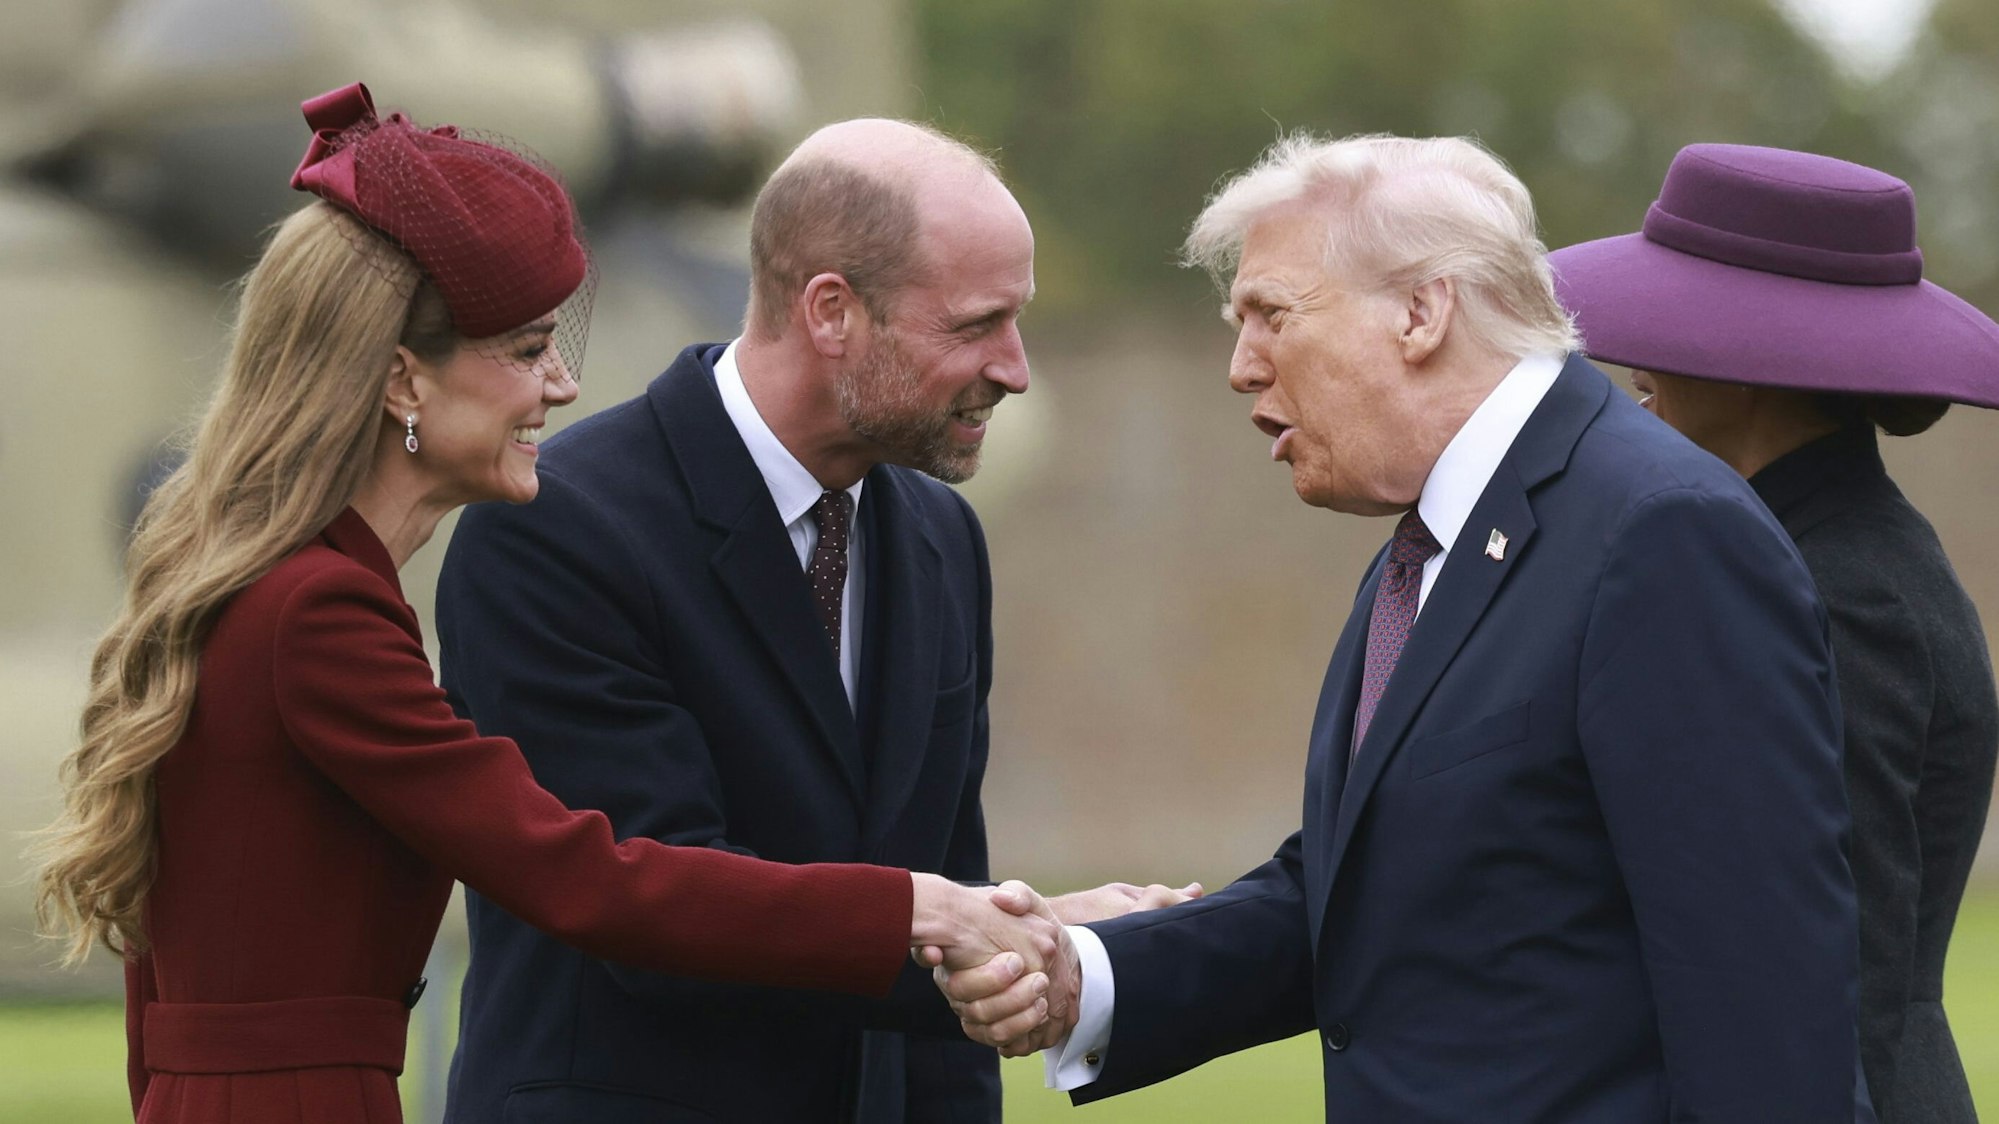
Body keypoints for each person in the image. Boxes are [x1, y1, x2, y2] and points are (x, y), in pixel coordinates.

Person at [29, 83, 1062, 1124]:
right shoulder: (317, 613)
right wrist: (916, 907)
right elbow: (588, 875)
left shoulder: (286, 587)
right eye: (526, 349)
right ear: (403, 383)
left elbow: (159, 1000)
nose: (560, 385)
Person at [941, 133, 1876, 1121]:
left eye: (1270, 314)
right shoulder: (1438, 543)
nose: (1239, 366)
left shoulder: (1659, 533)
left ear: (1422, 312)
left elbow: (1761, 1001)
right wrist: (1085, 973)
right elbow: (1366, 891)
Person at [435, 117, 1193, 1123]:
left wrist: (1009, 939)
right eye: (973, 325)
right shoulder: (557, 529)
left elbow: (942, 886)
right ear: (831, 310)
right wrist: (1020, 931)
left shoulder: (940, 538)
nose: (1013, 367)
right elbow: (649, 913)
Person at [1549, 142, 1999, 1124]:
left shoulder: (1843, 591)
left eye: (1666, 328)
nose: (1636, 370)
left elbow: (1821, 970)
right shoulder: (1791, 550)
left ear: (1753, 356)